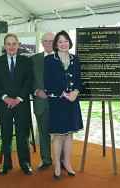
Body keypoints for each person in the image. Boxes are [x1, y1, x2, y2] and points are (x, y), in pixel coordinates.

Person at [0, 33, 33, 175]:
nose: (11, 46)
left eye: (14, 43)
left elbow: (29, 82)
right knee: (6, 135)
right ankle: (7, 165)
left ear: (18, 45)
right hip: (4, 104)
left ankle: (25, 164)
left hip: (21, 104)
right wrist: (5, 98)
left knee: (23, 135)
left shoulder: (26, 62)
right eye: (8, 44)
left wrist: (18, 98)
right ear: (4, 46)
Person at [44, 30, 83, 180]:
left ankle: (67, 163)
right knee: (59, 135)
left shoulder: (75, 59)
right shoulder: (49, 60)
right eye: (60, 41)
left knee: (70, 133)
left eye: (65, 41)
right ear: (56, 44)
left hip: (72, 101)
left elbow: (79, 80)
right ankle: (57, 166)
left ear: (69, 42)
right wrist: (63, 93)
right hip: (57, 101)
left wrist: (76, 91)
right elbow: (47, 82)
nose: (63, 44)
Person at [31, 32, 64, 170]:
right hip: (40, 102)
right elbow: (29, 80)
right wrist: (36, 91)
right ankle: (46, 159)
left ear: (55, 42)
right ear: (42, 43)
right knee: (43, 133)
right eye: (46, 41)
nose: (48, 44)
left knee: (60, 132)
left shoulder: (63, 57)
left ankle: (62, 160)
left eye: (51, 41)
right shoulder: (34, 59)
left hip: (59, 102)